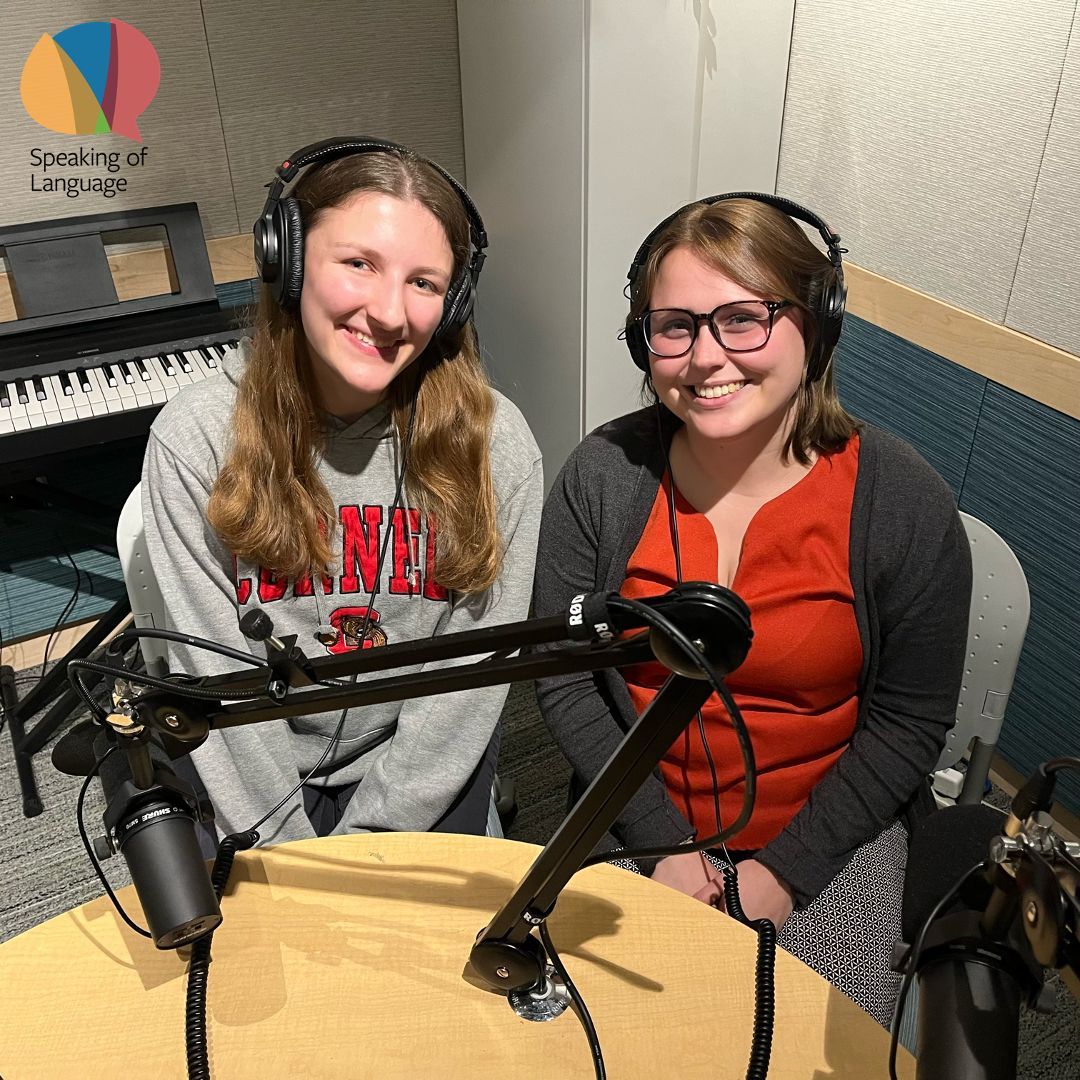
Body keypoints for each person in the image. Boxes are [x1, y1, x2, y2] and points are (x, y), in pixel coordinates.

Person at [531, 193, 971, 1026]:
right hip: (637, 821)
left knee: (808, 1043)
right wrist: (659, 844)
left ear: (818, 325)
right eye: (675, 326)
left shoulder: (901, 501)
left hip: (831, 837)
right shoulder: (603, 475)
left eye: (744, 319)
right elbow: (565, 684)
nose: (705, 357)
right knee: (592, 1035)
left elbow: (910, 724)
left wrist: (784, 871)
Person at [141, 137, 542, 848]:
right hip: (255, 780)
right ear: (287, 261)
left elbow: (465, 686)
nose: (390, 313)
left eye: (424, 283)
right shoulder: (197, 437)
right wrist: (294, 859)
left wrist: (376, 840)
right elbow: (216, 682)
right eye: (359, 264)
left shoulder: (496, 444)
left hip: (418, 769)